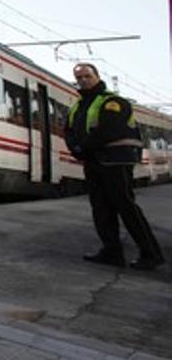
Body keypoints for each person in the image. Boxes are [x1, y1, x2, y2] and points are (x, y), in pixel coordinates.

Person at [66, 63, 164, 270]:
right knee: (101, 208)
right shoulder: (78, 105)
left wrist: (82, 147)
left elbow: (111, 129)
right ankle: (111, 252)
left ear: (97, 77)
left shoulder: (114, 102)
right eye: (79, 77)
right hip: (93, 161)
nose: (83, 80)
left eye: (87, 76)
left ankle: (151, 254)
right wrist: (75, 148)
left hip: (116, 161)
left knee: (125, 206)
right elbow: (69, 130)